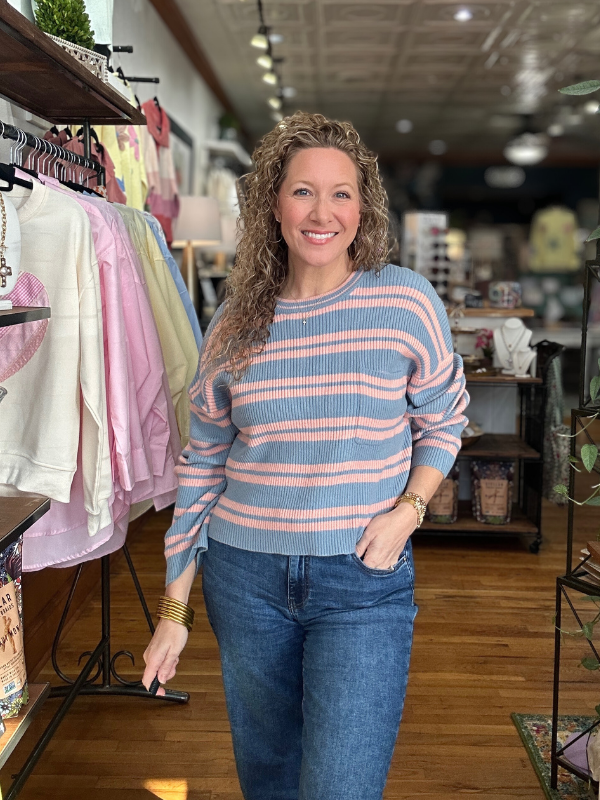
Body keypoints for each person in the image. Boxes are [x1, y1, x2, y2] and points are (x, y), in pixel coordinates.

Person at [143, 111, 469, 800]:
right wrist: (174, 612)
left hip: (362, 580)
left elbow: (444, 422)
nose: (322, 212)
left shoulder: (405, 301)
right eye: (302, 191)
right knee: (268, 778)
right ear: (273, 203)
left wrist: (409, 510)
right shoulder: (234, 325)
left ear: (364, 207)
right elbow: (201, 465)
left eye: (342, 192)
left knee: (341, 786)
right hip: (245, 580)